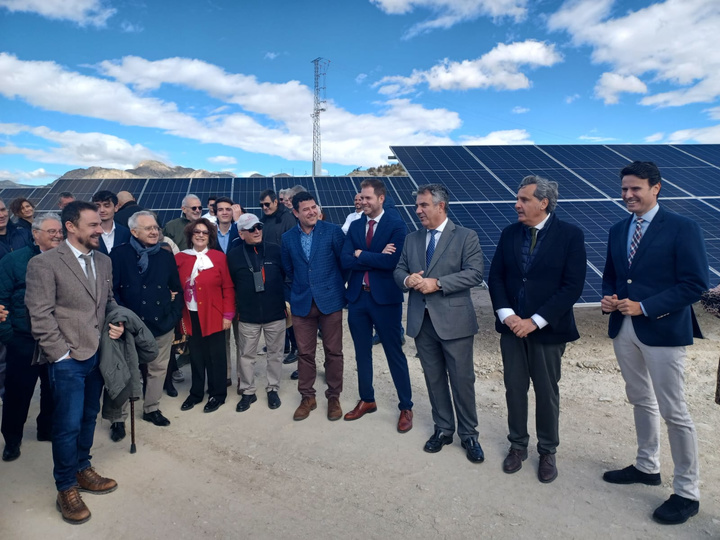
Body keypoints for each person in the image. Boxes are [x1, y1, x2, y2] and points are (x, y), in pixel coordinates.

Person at [601, 161, 709, 525]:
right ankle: (647, 466)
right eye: (624, 189)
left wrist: (645, 306)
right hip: (624, 328)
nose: (628, 195)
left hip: (662, 330)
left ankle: (687, 492)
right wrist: (608, 298)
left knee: (674, 410)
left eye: (636, 189)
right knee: (640, 399)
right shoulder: (618, 229)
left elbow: (694, 284)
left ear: (656, 188)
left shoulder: (682, 228)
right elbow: (612, 276)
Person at [25, 201, 124, 524]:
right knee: (66, 425)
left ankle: (83, 468)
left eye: (100, 224)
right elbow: (39, 314)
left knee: (88, 417)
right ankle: (66, 487)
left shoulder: (104, 262)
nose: (100, 230)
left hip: (97, 354)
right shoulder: (45, 264)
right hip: (67, 359)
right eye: (93, 225)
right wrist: (61, 354)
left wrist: (117, 322)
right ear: (71, 226)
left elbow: (108, 302)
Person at [488, 175, 586, 483]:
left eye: (524, 199)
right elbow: (497, 278)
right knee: (515, 389)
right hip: (512, 328)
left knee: (546, 392)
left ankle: (547, 451)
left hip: (548, 330)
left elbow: (572, 287)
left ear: (543, 203)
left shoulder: (570, 235)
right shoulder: (509, 234)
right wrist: (508, 316)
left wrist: (535, 321)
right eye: (518, 199)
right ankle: (517, 446)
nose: (516, 204)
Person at [394, 184, 484, 463]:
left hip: (455, 321)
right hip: (423, 322)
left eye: (423, 205)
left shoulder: (466, 236)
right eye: (417, 206)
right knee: (434, 379)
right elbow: (399, 270)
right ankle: (444, 429)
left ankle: (469, 434)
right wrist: (408, 280)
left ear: (440, 206)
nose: (417, 210)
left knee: (462, 380)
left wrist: (439, 283)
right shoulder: (412, 239)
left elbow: (475, 273)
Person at [103, 211, 183, 439]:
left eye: (156, 228)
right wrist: (119, 318)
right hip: (128, 325)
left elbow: (176, 288)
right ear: (134, 232)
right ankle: (118, 419)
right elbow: (112, 292)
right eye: (148, 228)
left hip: (161, 323)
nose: (154, 231)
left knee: (158, 369)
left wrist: (173, 316)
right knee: (124, 372)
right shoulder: (118, 254)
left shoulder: (165, 256)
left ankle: (151, 409)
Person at [341, 179, 413, 432]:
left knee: (394, 353)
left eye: (368, 198)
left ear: (381, 199)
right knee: (362, 353)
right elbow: (346, 259)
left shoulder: (396, 225)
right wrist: (372, 256)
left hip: (385, 299)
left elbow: (392, 262)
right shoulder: (356, 225)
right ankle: (367, 399)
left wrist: (362, 254)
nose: (363, 202)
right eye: (361, 197)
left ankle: (406, 406)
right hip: (358, 299)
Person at [0, 214, 62, 462]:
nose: (58, 235)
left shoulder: (65, 259)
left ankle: (45, 430)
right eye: (51, 231)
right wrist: (9, 336)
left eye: (60, 231)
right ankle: (12, 440)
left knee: (52, 389)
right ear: (35, 234)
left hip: (55, 336)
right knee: (18, 393)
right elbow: (1, 300)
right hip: (23, 339)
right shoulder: (13, 261)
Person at [281, 191, 346, 422]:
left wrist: (333, 286)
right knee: (305, 352)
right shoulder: (287, 238)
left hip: (330, 300)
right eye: (306, 209)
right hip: (302, 302)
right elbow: (289, 270)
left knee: (333, 351)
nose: (311, 212)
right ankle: (307, 397)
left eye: (314, 207)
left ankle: (334, 396)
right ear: (296, 212)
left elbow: (343, 263)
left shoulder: (333, 232)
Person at [228, 214, 287, 412]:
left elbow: (287, 277)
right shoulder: (234, 255)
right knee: (246, 356)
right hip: (248, 316)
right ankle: (247, 391)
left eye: (259, 227)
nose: (257, 231)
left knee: (275, 354)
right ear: (241, 233)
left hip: (275, 313)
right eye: (251, 228)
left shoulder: (276, 250)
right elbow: (230, 286)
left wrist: (285, 302)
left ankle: (272, 388)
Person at [176, 218, 235, 413]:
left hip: (214, 315)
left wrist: (228, 315)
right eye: (196, 232)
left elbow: (227, 286)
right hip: (191, 315)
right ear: (190, 236)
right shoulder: (181, 258)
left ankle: (217, 394)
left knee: (216, 357)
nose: (200, 235)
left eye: (204, 232)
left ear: (210, 236)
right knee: (197, 356)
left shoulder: (219, 257)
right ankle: (196, 393)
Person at [259, 189, 299, 365]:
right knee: (278, 313)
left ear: (276, 202)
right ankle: (283, 345)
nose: (265, 207)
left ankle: (296, 348)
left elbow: (292, 246)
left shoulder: (288, 219)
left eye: (267, 204)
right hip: (271, 274)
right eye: (262, 205)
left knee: (290, 312)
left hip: (286, 276)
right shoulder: (263, 221)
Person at [213, 196, 241, 387]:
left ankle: (242, 376)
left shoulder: (240, 231)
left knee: (242, 338)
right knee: (222, 339)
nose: (224, 212)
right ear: (215, 212)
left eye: (228, 209)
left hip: (239, 291)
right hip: (217, 294)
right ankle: (225, 374)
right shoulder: (208, 234)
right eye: (221, 209)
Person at [91, 190, 131, 255]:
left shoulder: (126, 233)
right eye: (97, 206)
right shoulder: (87, 233)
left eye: (106, 206)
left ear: (116, 207)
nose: (102, 210)